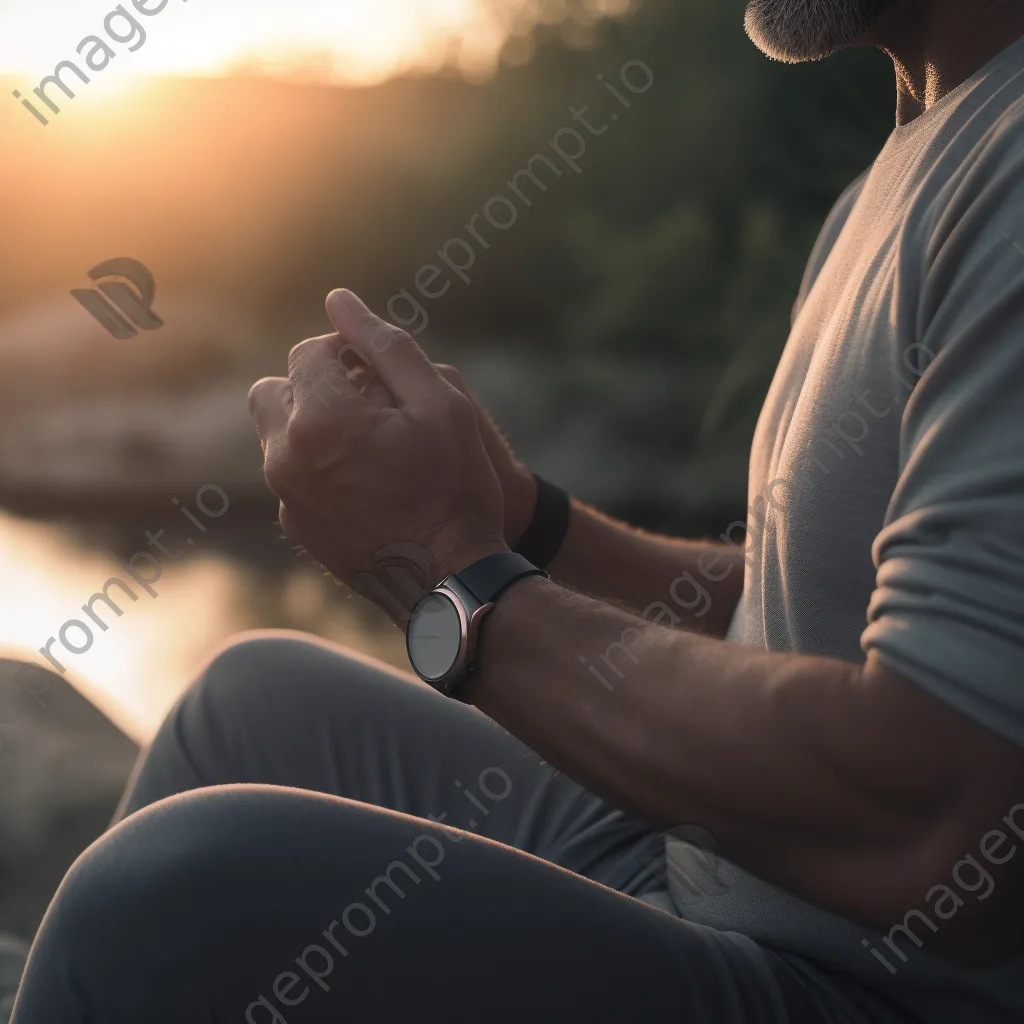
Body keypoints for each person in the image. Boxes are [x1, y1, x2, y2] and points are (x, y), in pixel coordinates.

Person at [11, 1, 1024, 1021]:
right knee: (247, 702)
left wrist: (456, 578)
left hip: (860, 987)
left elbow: (945, 823)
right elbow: (797, 613)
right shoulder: (897, 169)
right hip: (721, 871)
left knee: (167, 896)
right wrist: (523, 522)